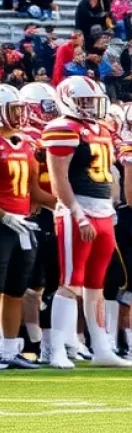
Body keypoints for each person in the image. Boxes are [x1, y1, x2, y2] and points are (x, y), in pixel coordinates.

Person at [0, 84, 55, 370]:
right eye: (11, 109)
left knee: (16, 290)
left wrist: (65, 206)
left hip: (23, 224)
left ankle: (8, 349)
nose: (18, 114)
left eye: (19, 109)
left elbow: (32, 192)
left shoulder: (26, 142)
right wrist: (3, 216)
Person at [43, 76, 130, 367]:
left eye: (92, 101)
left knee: (97, 284)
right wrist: (77, 213)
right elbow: (59, 179)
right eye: (83, 102)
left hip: (103, 210)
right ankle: (57, 349)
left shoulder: (99, 128)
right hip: (77, 211)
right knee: (71, 282)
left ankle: (102, 348)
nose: (90, 107)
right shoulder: (63, 129)